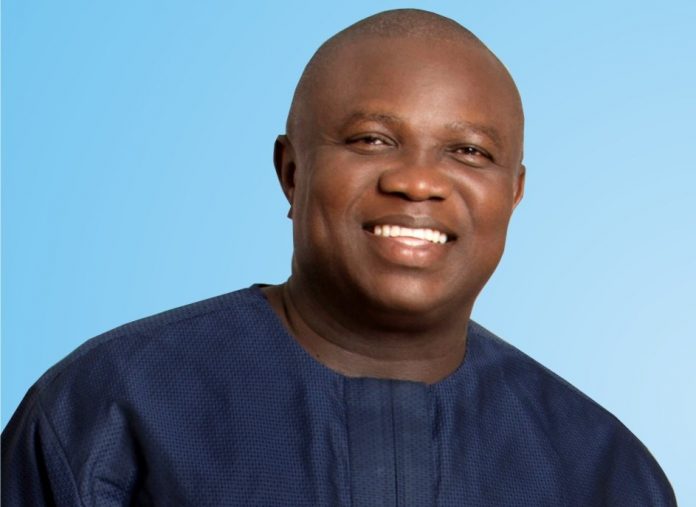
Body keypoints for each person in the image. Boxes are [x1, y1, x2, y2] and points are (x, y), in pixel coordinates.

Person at [2, 8, 676, 506]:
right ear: (291, 172)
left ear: (514, 193)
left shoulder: (606, 471)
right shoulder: (111, 409)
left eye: (469, 151)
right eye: (372, 139)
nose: (418, 181)